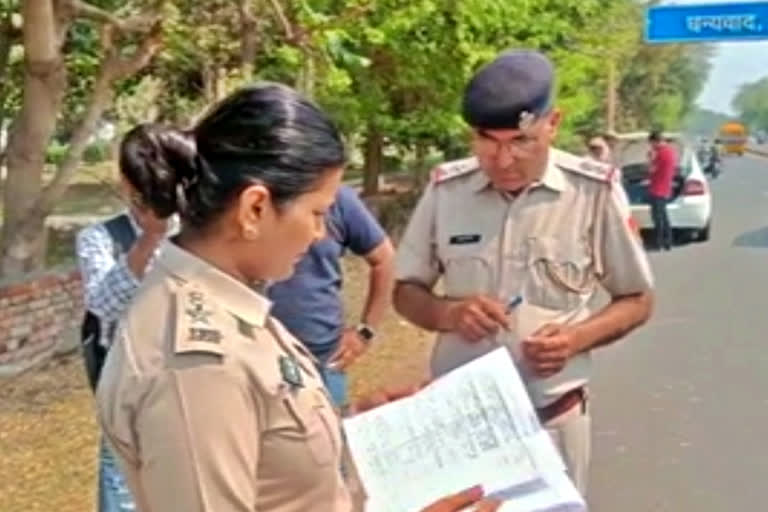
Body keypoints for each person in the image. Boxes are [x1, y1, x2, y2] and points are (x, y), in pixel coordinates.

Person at [95, 83, 499, 512]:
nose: (321, 233)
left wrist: (353, 429)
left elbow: (265, 451)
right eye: (317, 213)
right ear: (254, 209)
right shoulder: (198, 365)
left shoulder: (227, 303)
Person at [393, 50, 654, 495]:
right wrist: (449, 314)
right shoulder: (446, 191)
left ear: (553, 124)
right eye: (486, 141)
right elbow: (405, 291)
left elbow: (638, 299)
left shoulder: (592, 192)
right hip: (459, 428)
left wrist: (577, 339)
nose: (503, 159)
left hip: (551, 423)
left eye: (521, 141)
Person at [75, 133, 180, 512]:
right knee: (122, 489)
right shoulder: (100, 238)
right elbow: (103, 304)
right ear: (127, 184)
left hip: (188, 389)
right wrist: (149, 241)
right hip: (128, 400)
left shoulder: (198, 234)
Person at [267, 184, 394, 410]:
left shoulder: (337, 197)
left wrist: (365, 332)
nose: (318, 233)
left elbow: (384, 259)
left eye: (320, 214)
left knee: (333, 438)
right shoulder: (235, 192)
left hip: (324, 360)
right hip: (255, 360)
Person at [648, 130, 677, 251]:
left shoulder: (659, 153)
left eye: (651, 143)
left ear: (655, 141)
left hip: (657, 189)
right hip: (666, 188)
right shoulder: (671, 152)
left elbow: (652, 170)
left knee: (658, 218)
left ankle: (658, 243)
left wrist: (650, 159)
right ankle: (668, 242)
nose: (651, 146)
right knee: (664, 217)